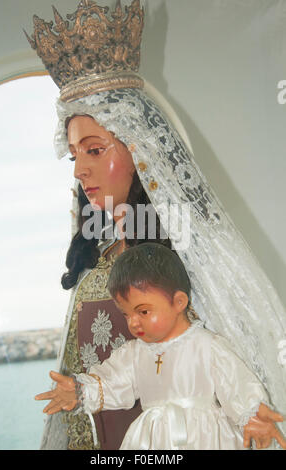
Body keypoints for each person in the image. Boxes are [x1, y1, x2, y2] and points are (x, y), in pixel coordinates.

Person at [26, 0, 286, 450]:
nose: (78, 171)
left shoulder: (193, 251)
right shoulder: (94, 259)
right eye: (74, 156)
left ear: (140, 147)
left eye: (94, 150)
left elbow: (237, 365)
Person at [36, 243, 286, 450]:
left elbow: (236, 383)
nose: (133, 323)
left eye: (143, 311)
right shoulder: (134, 354)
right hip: (151, 441)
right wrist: (80, 391)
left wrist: (251, 414)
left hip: (204, 439)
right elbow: (111, 384)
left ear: (178, 302)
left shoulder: (206, 346)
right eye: (126, 314)